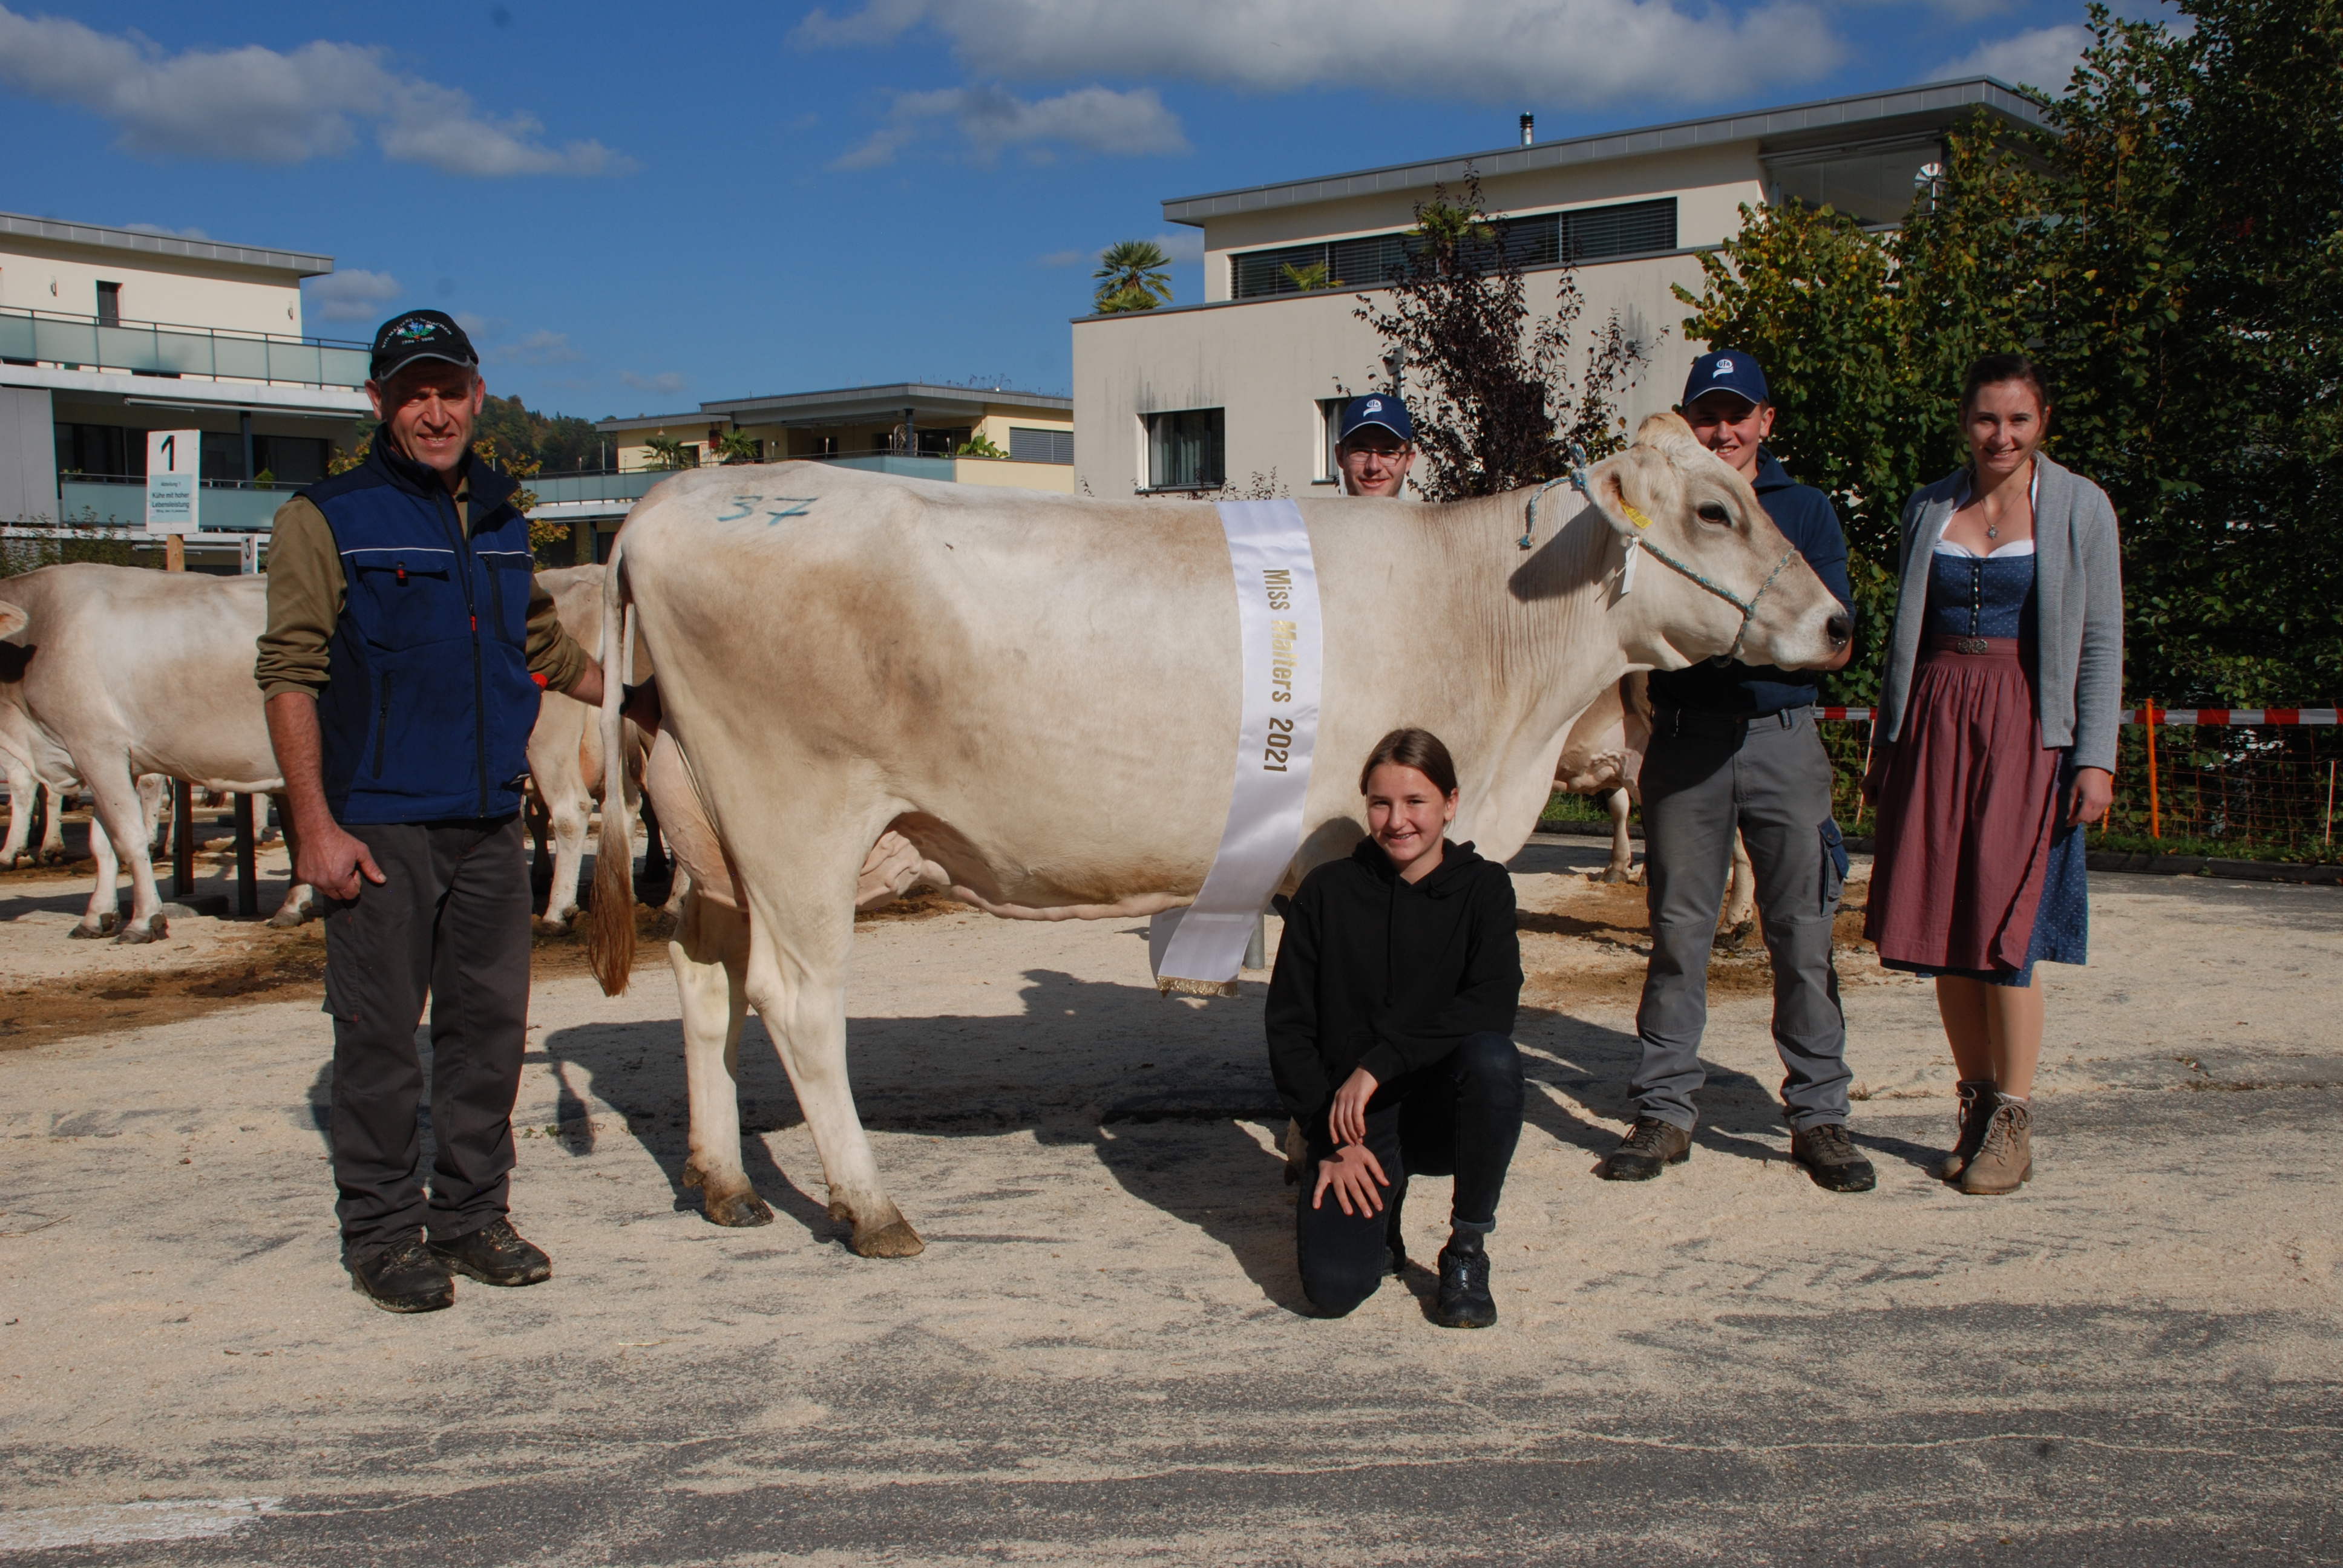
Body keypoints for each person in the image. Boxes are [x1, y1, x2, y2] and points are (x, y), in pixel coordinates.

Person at [256, 310, 610, 1312]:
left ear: (477, 394)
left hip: (489, 818)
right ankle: (380, 1232)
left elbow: (540, 648)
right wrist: (316, 826)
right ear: (379, 403)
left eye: (449, 389)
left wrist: (643, 695)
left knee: (489, 1029)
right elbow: (288, 672)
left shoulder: (500, 518)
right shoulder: (325, 517)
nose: (435, 410)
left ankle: (468, 1216)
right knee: (377, 1038)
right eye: (413, 392)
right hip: (377, 822)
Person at [1600, 350, 1873, 1192]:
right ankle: (1664, 1111)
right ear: (1688, 426)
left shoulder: (1804, 511)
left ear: (1767, 421)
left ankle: (1820, 1117)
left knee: (1802, 933)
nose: (1724, 429)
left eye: (1738, 413)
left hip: (1781, 736)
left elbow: (1834, 641)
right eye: (1707, 415)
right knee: (1679, 935)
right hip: (1685, 738)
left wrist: (1735, 633)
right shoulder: (1666, 509)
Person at [1862, 353, 2120, 1195]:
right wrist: (1887, 744)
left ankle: (2014, 1114)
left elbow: (2101, 641)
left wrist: (2095, 757)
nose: (2001, 435)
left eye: (2017, 419)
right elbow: (1901, 639)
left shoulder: (2081, 506)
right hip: (1936, 714)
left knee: (2007, 933)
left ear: (2042, 420)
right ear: (1965, 421)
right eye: (1986, 419)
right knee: (1944, 927)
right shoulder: (1929, 505)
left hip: (2024, 723)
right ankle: (1972, 1102)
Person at [1265, 728, 1525, 1327]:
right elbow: (1287, 1025)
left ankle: (1466, 1249)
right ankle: (1383, 1217)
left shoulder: (1484, 888)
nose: (1396, 820)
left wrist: (1376, 1064)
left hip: (1439, 1108)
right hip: (1354, 1122)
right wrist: (1327, 1138)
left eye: (1415, 802)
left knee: (1493, 1061)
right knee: (1332, 1291)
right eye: (1380, 803)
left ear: (1450, 804)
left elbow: (1491, 1005)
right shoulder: (1325, 892)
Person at [1332, 393, 1418, 497]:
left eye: (1388, 452)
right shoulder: (1310, 514)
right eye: (1361, 451)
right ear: (1340, 456)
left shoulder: (1434, 514)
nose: (1373, 466)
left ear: (1409, 460)